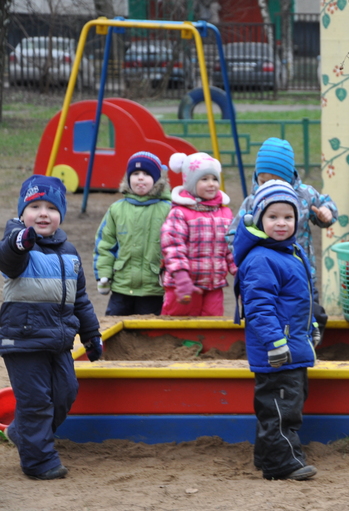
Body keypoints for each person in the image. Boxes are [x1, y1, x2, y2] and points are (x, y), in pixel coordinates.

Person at [0, 175, 102, 480]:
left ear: (61, 215)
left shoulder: (69, 252)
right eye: (35, 206)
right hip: (23, 340)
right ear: (22, 213)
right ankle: (38, 461)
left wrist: (92, 335)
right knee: (35, 402)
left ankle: (22, 432)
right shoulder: (17, 243)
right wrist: (20, 242)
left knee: (66, 394)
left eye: (51, 208)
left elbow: (80, 299)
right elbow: (9, 258)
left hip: (58, 341)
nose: (43, 213)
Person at [232, 180, 320, 481]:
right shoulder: (261, 259)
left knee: (284, 403)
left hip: (293, 345)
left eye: (288, 217)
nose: (281, 223)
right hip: (277, 351)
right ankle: (283, 464)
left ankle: (266, 457)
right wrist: (275, 342)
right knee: (281, 409)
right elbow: (259, 308)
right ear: (259, 219)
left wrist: (313, 327)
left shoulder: (290, 252)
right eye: (273, 217)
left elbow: (299, 302)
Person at [227, 137, 338, 334]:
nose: (269, 187)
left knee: (310, 313)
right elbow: (233, 235)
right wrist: (244, 259)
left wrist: (326, 213)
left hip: (302, 272)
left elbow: (326, 206)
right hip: (267, 274)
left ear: (289, 178)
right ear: (256, 177)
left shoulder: (305, 195)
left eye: (277, 181)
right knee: (274, 314)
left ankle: (309, 344)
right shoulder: (253, 202)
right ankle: (278, 347)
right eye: (263, 181)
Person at [93, 151, 172, 316]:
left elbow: (175, 246)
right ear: (128, 179)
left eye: (146, 174)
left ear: (158, 180)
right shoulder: (117, 209)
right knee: (113, 327)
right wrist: (103, 274)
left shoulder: (168, 209)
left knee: (148, 333)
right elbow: (105, 244)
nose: (140, 178)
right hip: (122, 284)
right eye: (135, 174)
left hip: (153, 287)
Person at [160, 152, 237, 316]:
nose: (211, 184)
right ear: (191, 183)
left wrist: (240, 272)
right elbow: (172, 246)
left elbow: (231, 248)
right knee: (179, 328)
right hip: (184, 286)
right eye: (204, 179)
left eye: (215, 179)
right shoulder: (179, 213)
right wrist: (181, 277)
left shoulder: (225, 213)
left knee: (213, 328)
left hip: (214, 286)